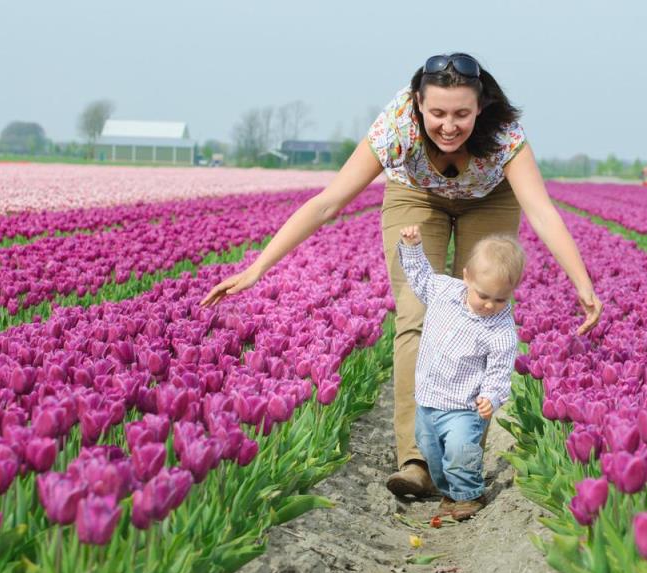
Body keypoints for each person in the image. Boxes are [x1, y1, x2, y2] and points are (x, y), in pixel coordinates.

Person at [200, 52, 603, 499]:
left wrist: (582, 283)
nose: (449, 125)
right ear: (418, 103)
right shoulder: (397, 128)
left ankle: (461, 460)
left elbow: (542, 213)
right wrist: (258, 267)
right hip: (416, 197)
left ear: (480, 108)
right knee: (416, 315)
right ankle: (416, 460)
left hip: (489, 199)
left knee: (481, 315)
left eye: (462, 114)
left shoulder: (505, 136)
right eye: (437, 113)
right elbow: (327, 203)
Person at [397, 224, 522, 520]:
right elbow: (421, 278)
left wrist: (491, 395)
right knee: (432, 451)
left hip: (464, 407)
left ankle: (469, 494)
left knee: (460, 450)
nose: (490, 305)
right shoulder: (444, 291)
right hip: (428, 398)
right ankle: (448, 492)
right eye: (484, 295)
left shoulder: (501, 330)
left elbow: (499, 370)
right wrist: (413, 248)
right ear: (466, 277)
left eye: (501, 299)